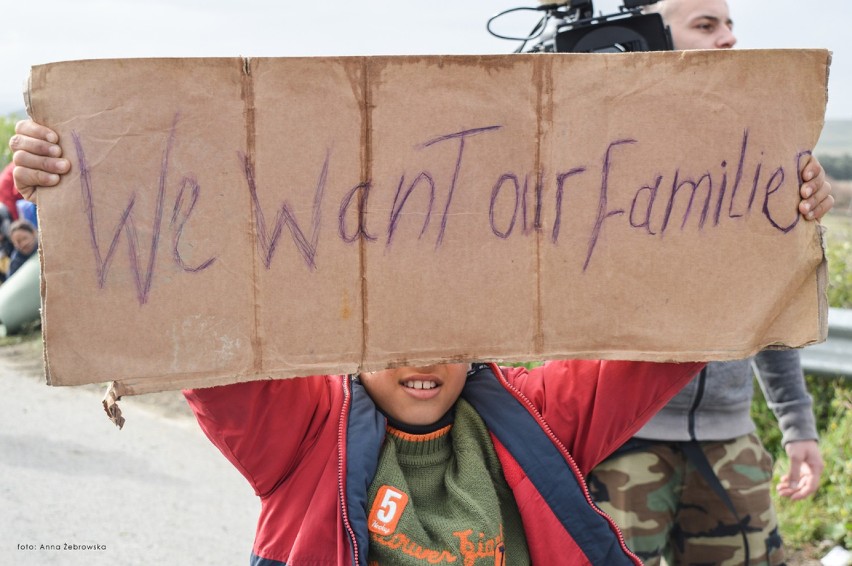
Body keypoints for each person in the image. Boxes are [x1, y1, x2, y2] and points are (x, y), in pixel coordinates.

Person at [9, 97, 833, 565]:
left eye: (443, 329)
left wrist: (772, 221)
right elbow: (197, 316)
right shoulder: (300, 432)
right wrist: (66, 182)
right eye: (390, 332)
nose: (419, 358)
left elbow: (678, 329)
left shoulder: (536, 417)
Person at [586, 1, 829, 565]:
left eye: (728, 24)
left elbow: (772, 303)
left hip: (729, 442)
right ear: (649, 38)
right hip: (624, 438)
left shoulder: (757, 148)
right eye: (705, 25)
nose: (728, 39)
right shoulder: (604, 149)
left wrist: (797, 426)